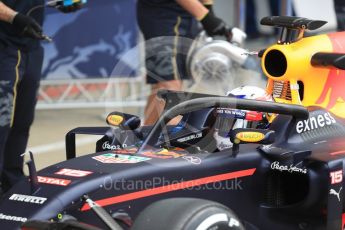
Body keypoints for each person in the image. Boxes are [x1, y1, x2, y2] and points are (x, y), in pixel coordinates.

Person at [0, 0, 82, 193]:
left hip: (32, 46)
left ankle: (11, 182)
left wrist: (63, 3)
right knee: (2, 122)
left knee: (23, 121)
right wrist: (16, 17)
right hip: (4, 47)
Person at [137, 0, 246, 125]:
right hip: (162, 14)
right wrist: (207, 17)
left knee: (161, 88)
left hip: (185, 14)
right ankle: (165, 139)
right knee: (169, 87)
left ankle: (144, 140)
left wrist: (207, 8)